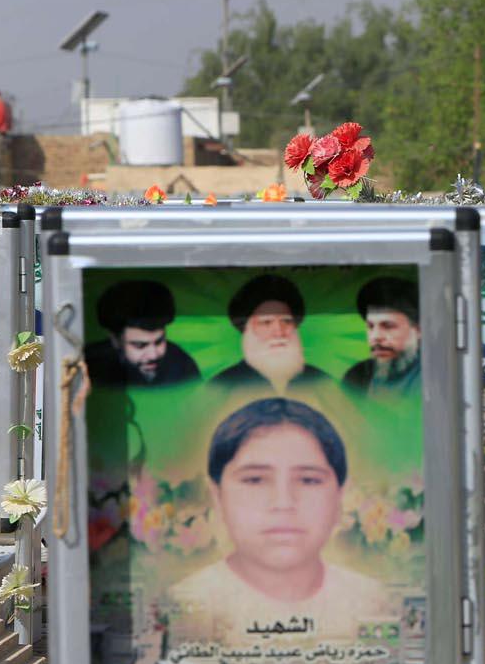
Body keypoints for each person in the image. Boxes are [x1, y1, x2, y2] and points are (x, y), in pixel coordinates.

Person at [166, 397, 392, 642]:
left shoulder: (373, 604)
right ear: (217, 495)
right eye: (255, 480)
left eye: (308, 480)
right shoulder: (186, 606)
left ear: (340, 496)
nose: (283, 504)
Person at [210, 274, 333, 393]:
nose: (279, 332)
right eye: (266, 322)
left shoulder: (321, 381)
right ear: (248, 330)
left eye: (286, 321)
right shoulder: (222, 385)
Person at [84, 279, 201, 387]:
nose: (153, 355)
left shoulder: (182, 365)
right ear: (115, 340)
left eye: (159, 342)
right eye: (139, 346)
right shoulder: (90, 365)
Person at [343, 277, 421, 399]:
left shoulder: (432, 377)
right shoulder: (356, 376)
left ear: (418, 330)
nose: (376, 336)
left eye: (388, 326)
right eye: (370, 326)